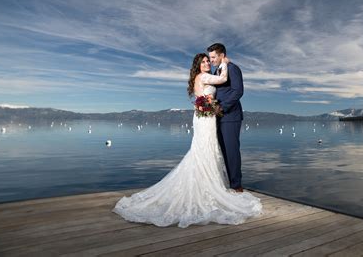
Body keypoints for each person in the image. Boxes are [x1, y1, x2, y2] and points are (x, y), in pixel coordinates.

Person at [112, 53, 262, 228]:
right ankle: (207, 187)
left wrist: (209, 104)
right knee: (205, 149)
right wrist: (226, 64)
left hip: (205, 117)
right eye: (204, 61)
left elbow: (204, 97)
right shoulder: (204, 75)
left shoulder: (199, 78)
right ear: (198, 65)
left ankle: (207, 183)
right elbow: (222, 79)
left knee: (205, 149)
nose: (207, 63)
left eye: (208, 60)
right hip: (205, 118)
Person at [207, 43, 244, 192]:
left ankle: (236, 185)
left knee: (232, 151)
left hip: (230, 116)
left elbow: (238, 91)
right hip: (218, 117)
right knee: (222, 151)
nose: (211, 61)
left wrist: (222, 107)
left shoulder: (233, 69)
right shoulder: (217, 72)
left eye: (213, 57)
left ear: (222, 55)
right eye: (210, 58)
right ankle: (228, 183)